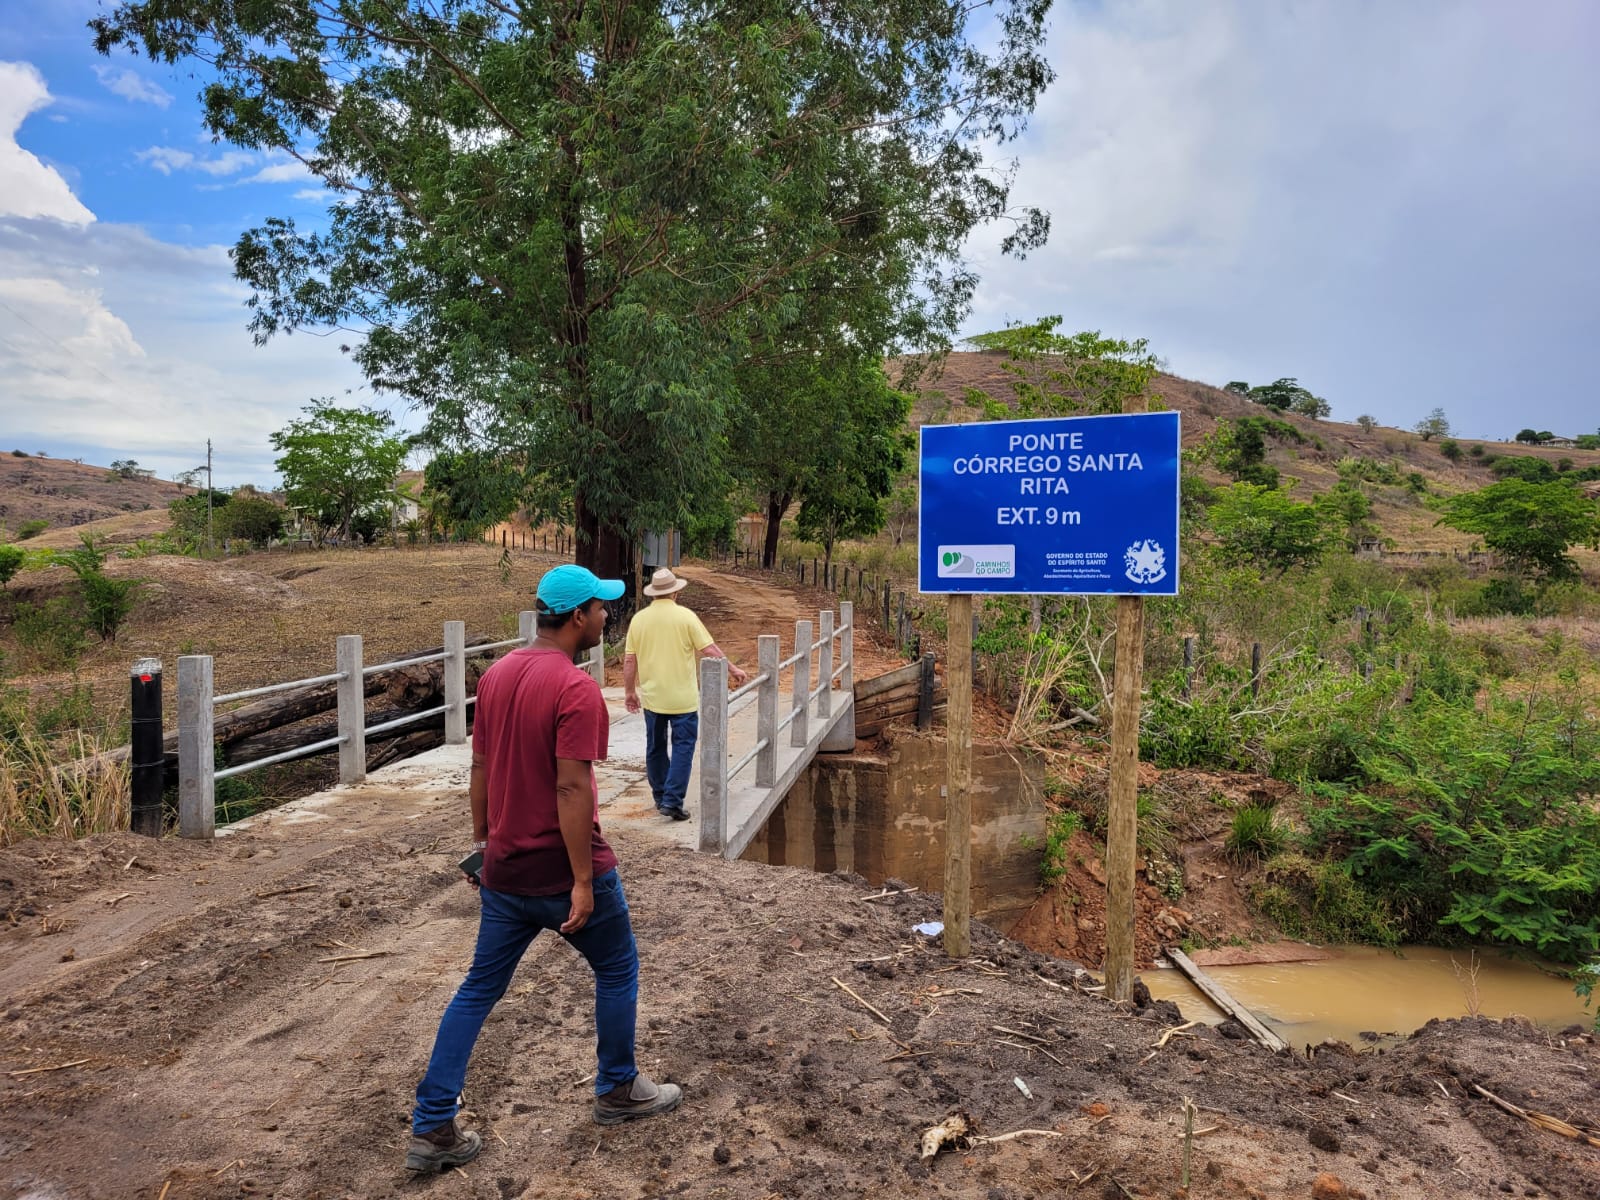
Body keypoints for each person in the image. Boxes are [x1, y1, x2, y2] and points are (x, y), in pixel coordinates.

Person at [406, 564, 683, 1175]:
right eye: (602, 608)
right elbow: (569, 787)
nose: (608, 616)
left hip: (504, 873)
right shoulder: (575, 687)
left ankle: (432, 1127)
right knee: (616, 968)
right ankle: (617, 1089)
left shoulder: (500, 674)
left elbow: (479, 768)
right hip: (562, 872)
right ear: (579, 616)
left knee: (477, 990)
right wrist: (582, 880)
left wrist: (484, 845)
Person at [623, 568, 747, 821]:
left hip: (653, 698)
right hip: (683, 700)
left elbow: (628, 660)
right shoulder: (686, 617)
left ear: (653, 594)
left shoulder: (639, 620)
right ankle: (672, 800)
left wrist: (629, 692)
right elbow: (708, 649)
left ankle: (660, 795)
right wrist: (732, 669)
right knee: (683, 748)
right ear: (676, 592)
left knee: (655, 747)